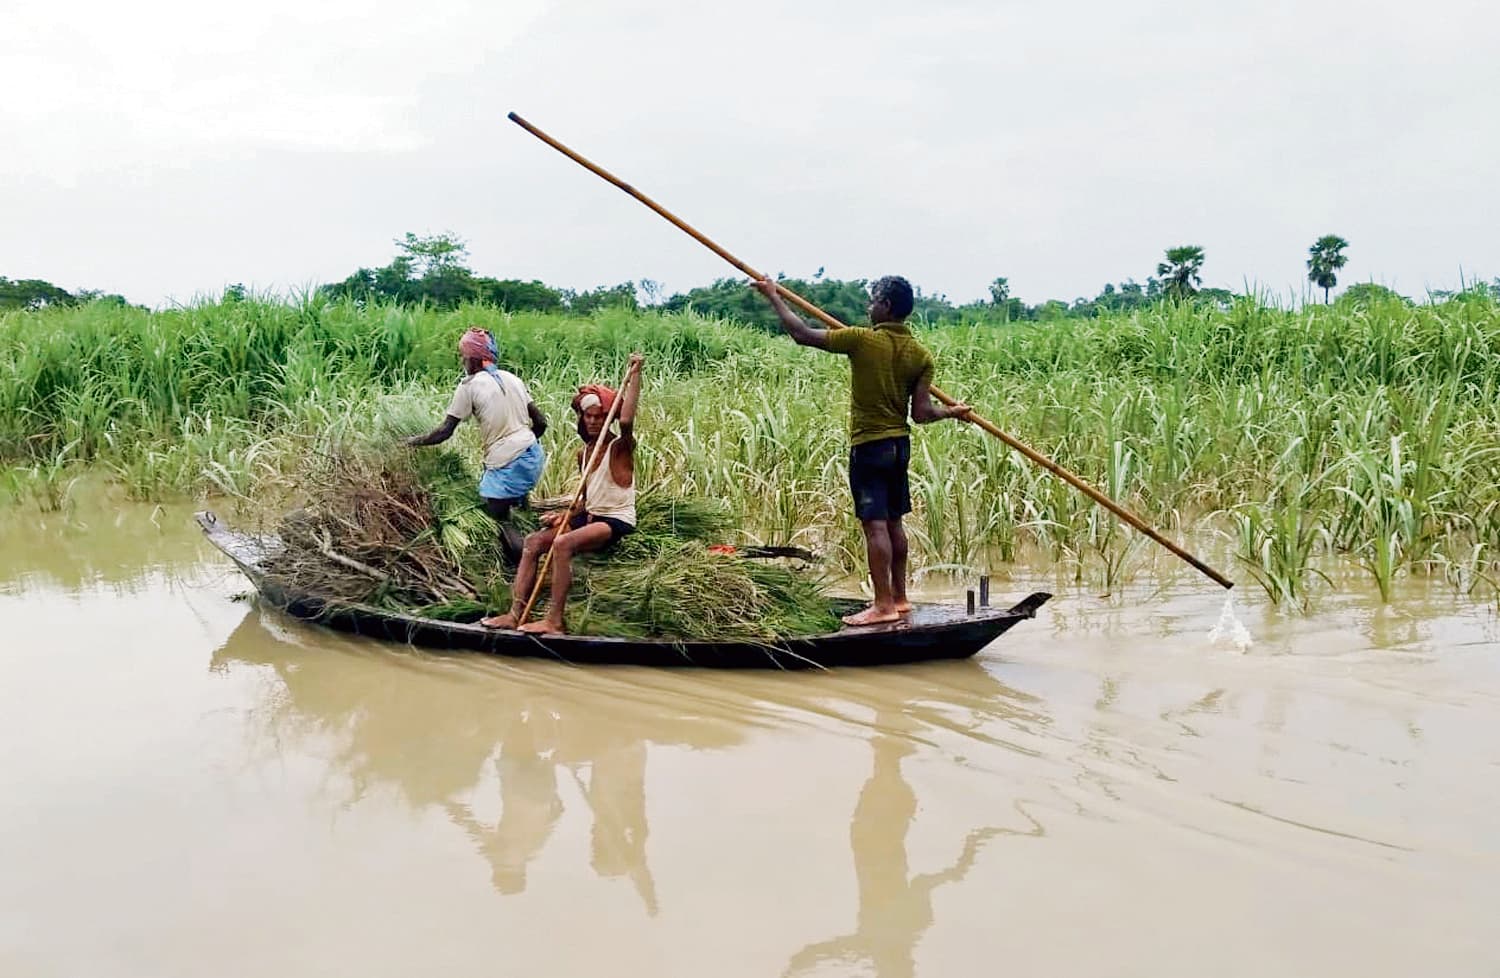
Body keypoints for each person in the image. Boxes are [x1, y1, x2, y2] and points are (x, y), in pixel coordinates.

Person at [751, 275, 969, 627]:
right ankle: (899, 598)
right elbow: (923, 414)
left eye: (872, 301)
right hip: (900, 446)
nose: (868, 307)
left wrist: (773, 297)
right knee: (895, 522)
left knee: (875, 526)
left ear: (885, 306)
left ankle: (882, 605)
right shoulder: (920, 355)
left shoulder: (861, 340)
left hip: (870, 446)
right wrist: (952, 413)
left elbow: (802, 335)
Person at [481, 352, 643, 634]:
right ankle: (515, 613)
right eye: (589, 416)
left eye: (599, 417)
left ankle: (554, 621)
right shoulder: (585, 454)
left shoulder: (619, 448)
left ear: (608, 419)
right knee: (532, 542)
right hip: (591, 517)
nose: (593, 422)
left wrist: (636, 373)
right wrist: (566, 513)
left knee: (563, 544)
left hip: (615, 520)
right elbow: (588, 499)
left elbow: (627, 420)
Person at [407, 326, 548, 562]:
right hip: (533, 455)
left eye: (463, 357)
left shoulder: (469, 386)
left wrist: (412, 442)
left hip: (507, 462)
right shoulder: (513, 378)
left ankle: (528, 563)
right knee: (514, 497)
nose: (463, 362)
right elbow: (541, 422)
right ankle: (526, 520)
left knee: (498, 518)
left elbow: (444, 432)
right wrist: (523, 445)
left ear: (472, 359)